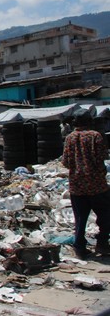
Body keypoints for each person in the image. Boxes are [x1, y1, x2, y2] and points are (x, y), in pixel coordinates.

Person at [62, 108, 110, 259]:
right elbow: (101, 158)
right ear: (90, 121)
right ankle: (102, 243)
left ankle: (80, 248)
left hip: (77, 186)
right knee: (105, 216)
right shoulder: (95, 136)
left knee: (80, 219)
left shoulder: (69, 138)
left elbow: (66, 162)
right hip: (97, 186)